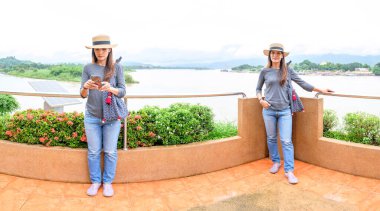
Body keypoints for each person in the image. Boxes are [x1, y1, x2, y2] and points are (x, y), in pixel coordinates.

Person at [256, 43, 333, 184]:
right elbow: (258, 89)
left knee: (286, 141)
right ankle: (276, 162)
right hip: (268, 110)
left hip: (285, 111)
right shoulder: (264, 71)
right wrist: (261, 100)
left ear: (282, 56)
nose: (275, 55)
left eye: (278, 53)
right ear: (269, 55)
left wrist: (320, 89)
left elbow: (303, 84)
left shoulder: (287, 70)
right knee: (271, 138)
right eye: (272, 53)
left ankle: (289, 171)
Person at [80, 34, 126, 196]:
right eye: (97, 49)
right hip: (92, 117)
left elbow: (122, 91)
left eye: (103, 49)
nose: (100, 52)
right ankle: (95, 182)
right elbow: (83, 95)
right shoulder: (88, 68)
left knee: (110, 151)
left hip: (112, 118)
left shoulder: (117, 67)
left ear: (109, 50)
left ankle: (107, 182)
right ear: (93, 51)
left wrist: (110, 88)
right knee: (93, 151)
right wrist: (86, 87)